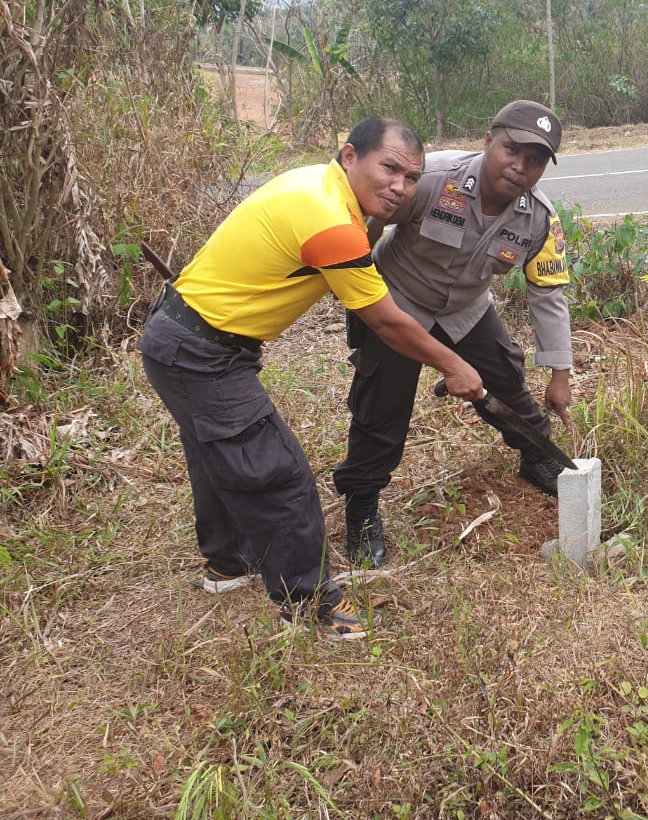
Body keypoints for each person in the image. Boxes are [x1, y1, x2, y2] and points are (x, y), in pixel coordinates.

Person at [138, 117, 483, 640]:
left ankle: (227, 565)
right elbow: (387, 320)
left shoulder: (318, 186)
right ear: (350, 157)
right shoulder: (332, 224)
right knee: (277, 474)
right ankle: (309, 607)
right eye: (389, 168)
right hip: (201, 352)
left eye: (412, 178)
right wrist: (455, 365)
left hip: (182, 336)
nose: (400, 187)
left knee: (217, 453)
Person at [333, 100, 573, 568]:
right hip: (398, 301)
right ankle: (362, 505)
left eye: (536, 159)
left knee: (507, 379)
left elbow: (548, 294)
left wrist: (560, 373)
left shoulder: (538, 219)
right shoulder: (429, 178)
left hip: (466, 308)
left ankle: (536, 454)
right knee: (382, 407)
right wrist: (360, 286)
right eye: (511, 150)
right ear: (488, 141)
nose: (520, 167)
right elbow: (363, 221)